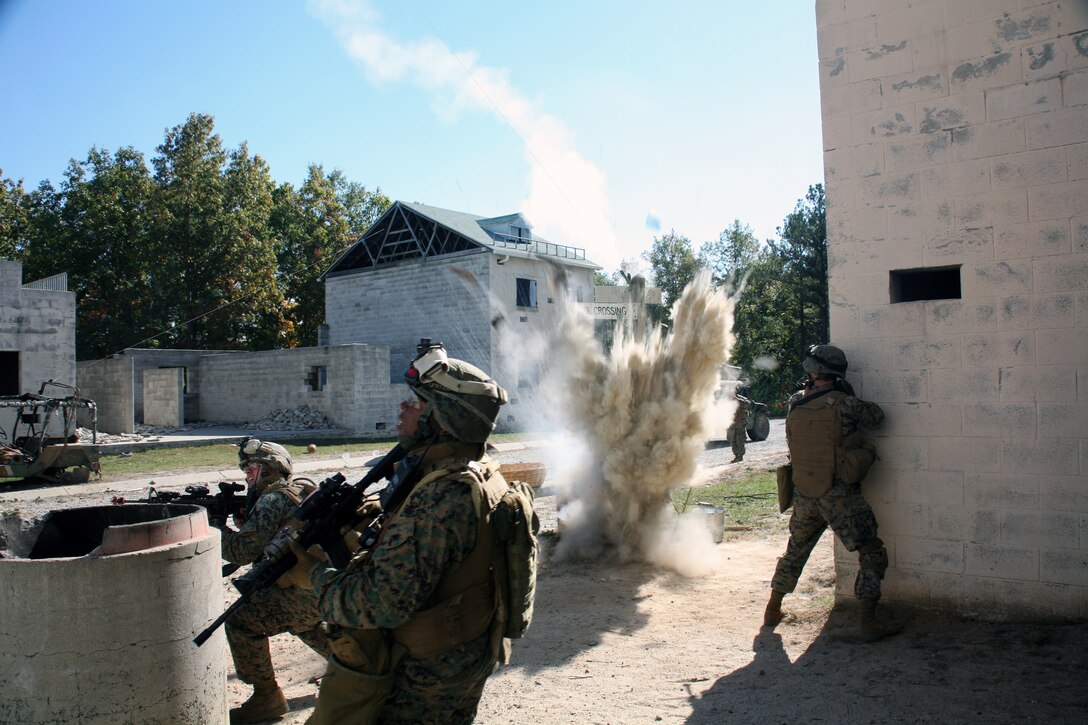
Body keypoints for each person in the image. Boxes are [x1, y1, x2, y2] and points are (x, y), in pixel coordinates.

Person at [287, 341, 514, 724]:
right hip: (462, 653)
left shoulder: (443, 495)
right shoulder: (472, 472)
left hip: (426, 673)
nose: (404, 407)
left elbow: (380, 604)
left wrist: (309, 576)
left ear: (441, 420)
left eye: (416, 403)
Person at [763, 344, 899, 642]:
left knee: (795, 552)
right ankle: (867, 622)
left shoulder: (795, 403)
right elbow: (877, 418)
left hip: (805, 492)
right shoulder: (845, 403)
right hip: (838, 494)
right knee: (871, 552)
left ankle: (772, 611)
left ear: (813, 372)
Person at [219, 438, 329, 724]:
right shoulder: (298, 489)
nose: (247, 474)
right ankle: (359, 669)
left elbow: (242, 553)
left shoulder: (272, 499)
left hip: (303, 590)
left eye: (252, 468)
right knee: (305, 624)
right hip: (321, 586)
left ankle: (266, 696)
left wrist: (214, 527)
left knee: (241, 620)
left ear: (270, 469)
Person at [726, 389, 749, 463]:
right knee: (732, 440)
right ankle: (736, 455)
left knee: (740, 439)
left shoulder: (741, 399)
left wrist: (736, 399)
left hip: (740, 423)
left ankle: (740, 456)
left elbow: (747, 403)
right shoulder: (728, 400)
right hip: (732, 423)